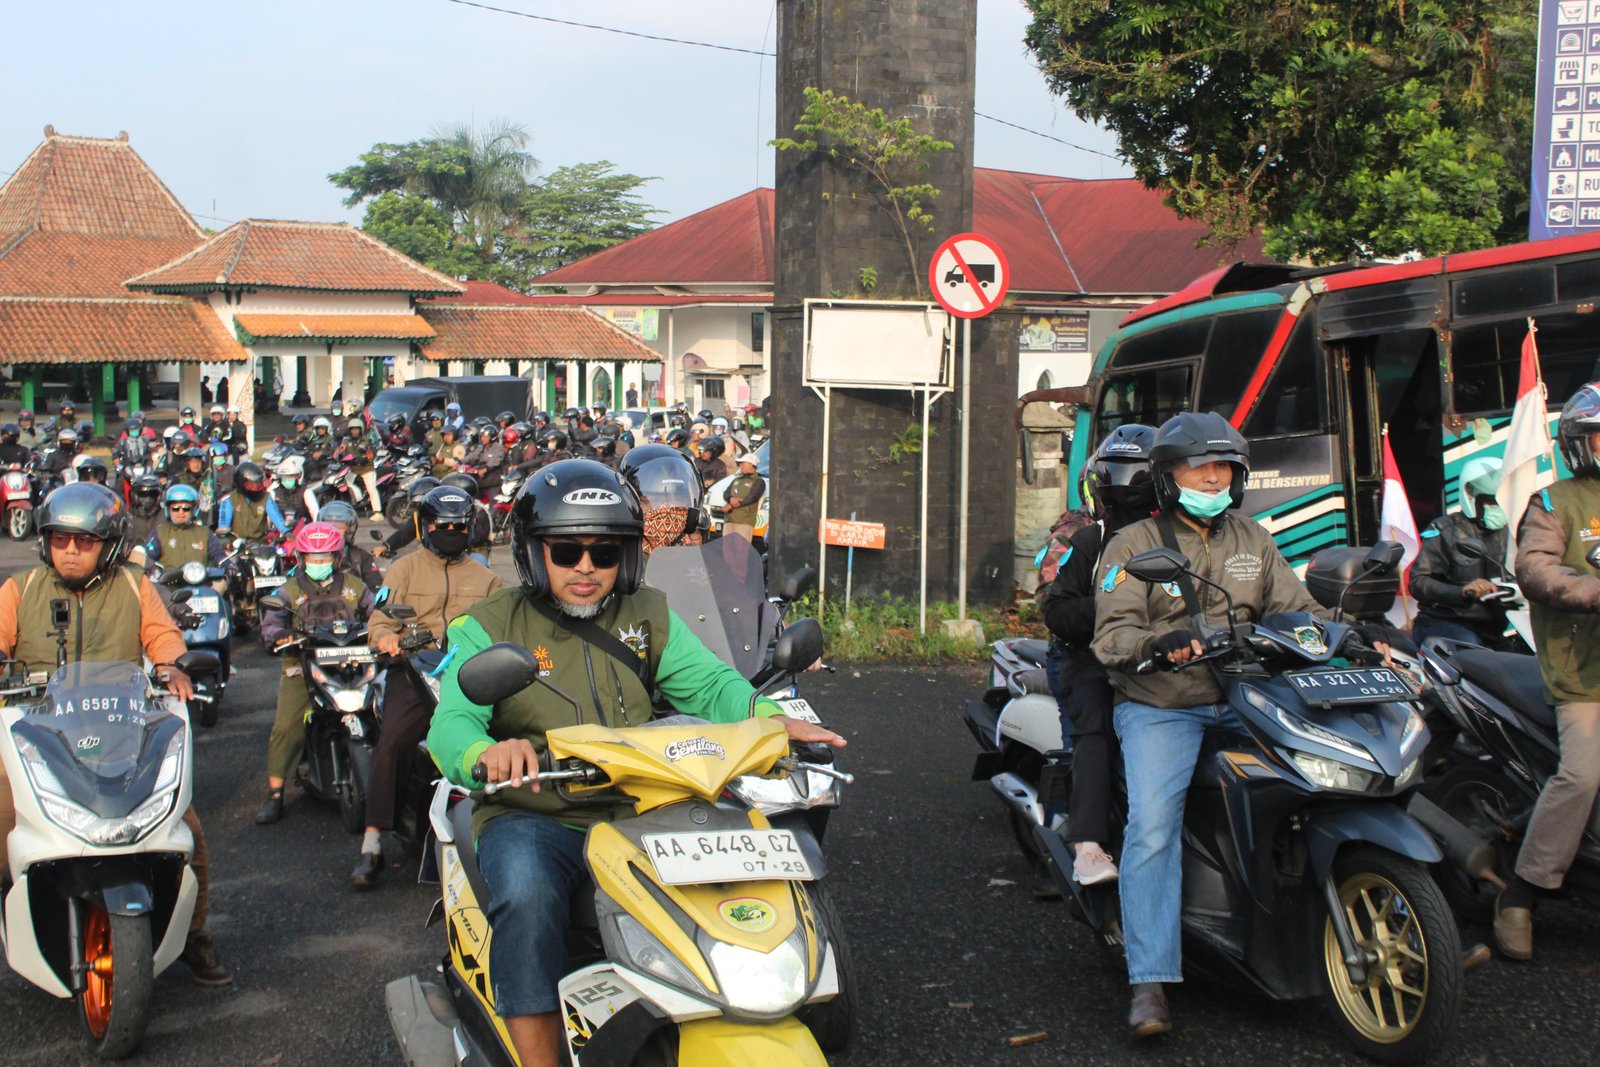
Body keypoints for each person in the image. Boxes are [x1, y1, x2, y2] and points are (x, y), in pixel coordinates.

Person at [427, 460, 845, 1066]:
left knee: (749, 870)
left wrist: (766, 715)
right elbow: (453, 722)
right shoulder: (489, 626)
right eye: (566, 551)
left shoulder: (647, 613)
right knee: (526, 897)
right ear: (532, 552)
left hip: (641, 803)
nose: (587, 568)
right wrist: (484, 752)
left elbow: (709, 685)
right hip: (540, 812)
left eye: (605, 552)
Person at [1091, 411, 1373, 1038]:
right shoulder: (1133, 544)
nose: (1213, 478)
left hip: (1248, 695)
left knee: (1330, 780)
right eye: (1199, 467)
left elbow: (1298, 610)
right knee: (1154, 827)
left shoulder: (1254, 538)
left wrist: (1355, 635)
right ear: (1168, 477)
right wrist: (1165, 640)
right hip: (1162, 704)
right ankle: (1150, 981)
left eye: (1224, 468)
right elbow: (1112, 637)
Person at [0, 483, 230, 985]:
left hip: (121, 727)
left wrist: (172, 665)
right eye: (60, 540)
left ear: (108, 545)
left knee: (185, 832)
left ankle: (191, 934)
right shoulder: (19, 591)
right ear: (45, 542)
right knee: (2, 822)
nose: (71, 551)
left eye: (84, 541)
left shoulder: (133, 586)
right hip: (36, 733)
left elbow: (161, 634)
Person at [1495, 382, 1600, 960]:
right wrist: (1592, 590)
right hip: (1583, 671)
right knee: (1583, 774)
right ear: (1580, 443)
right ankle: (1522, 891)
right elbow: (1535, 569)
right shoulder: (1555, 502)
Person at [354, 486, 501, 888]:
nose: (451, 531)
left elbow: (505, 624)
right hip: (414, 671)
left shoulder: (486, 578)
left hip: (468, 676)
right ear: (425, 527)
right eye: (443, 525)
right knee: (393, 742)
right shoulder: (402, 569)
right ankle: (373, 841)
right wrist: (386, 637)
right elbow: (381, 617)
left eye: (459, 525)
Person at [1039, 424, 1157, 891]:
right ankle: (1085, 844)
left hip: (1171, 662)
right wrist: (1118, 611)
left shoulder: (1190, 536)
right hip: (1095, 661)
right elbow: (1059, 610)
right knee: (1093, 729)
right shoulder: (1087, 539)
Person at [255, 523, 377, 824]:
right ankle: (275, 794)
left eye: (325, 558)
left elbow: (377, 612)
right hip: (303, 665)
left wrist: (383, 630)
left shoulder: (354, 586)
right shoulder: (289, 589)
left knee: (385, 710)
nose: (319, 564)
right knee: (286, 727)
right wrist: (279, 635)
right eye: (313, 558)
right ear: (301, 558)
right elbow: (271, 622)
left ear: (337, 558)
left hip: (354, 662)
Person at [1411, 456, 1513, 649]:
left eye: (1502, 501)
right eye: (1492, 502)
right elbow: (1418, 582)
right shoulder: (1445, 530)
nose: (1498, 508)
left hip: (1492, 630)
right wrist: (1462, 591)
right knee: (1478, 662)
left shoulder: (1511, 533)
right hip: (1446, 623)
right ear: (1471, 498)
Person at [145, 483, 227, 573]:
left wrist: (228, 565)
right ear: (168, 510)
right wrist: (154, 570)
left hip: (200, 582)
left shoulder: (205, 533)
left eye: (186, 508)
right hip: (168, 584)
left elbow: (218, 555)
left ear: (193, 510)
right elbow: (148, 557)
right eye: (175, 508)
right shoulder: (159, 533)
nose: (181, 512)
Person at [314, 499, 384, 592]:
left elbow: (377, 588)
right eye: (329, 526)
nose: (334, 530)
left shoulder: (360, 557)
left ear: (348, 529)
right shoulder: (309, 555)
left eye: (339, 527)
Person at [216, 462, 288, 543]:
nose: (256, 488)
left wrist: (286, 532)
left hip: (260, 542)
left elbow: (276, 516)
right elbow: (223, 525)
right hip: (237, 544)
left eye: (258, 484)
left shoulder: (266, 497)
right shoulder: (229, 500)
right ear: (241, 483)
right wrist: (225, 539)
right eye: (251, 485)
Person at [371, 476, 441, 559]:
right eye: (416, 505)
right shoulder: (418, 516)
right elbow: (404, 533)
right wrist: (386, 546)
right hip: (426, 560)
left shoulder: (450, 519)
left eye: (421, 504)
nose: (419, 508)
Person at [723, 452, 765, 543]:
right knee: (727, 550)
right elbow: (726, 493)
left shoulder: (758, 481)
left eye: (743, 463)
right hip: (729, 519)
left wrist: (733, 504)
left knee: (740, 551)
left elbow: (752, 497)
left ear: (751, 465)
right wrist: (730, 499)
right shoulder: (736, 480)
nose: (740, 465)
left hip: (744, 521)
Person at [125, 473, 165, 546]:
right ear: (135, 496)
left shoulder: (166, 516)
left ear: (158, 496)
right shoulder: (127, 517)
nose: (148, 499)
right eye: (143, 495)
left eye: (152, 494)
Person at [272, 454, 309, 530]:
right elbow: (270, 515)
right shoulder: (274, 493)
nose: (287, 479)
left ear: (298, 477)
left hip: (304, 529)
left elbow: (315, 513)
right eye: (284, 477)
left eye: (290, 476)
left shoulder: (306, 492)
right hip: (281, 530)